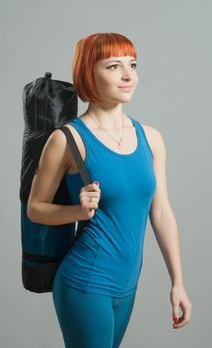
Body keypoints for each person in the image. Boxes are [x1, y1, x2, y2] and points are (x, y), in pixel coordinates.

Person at [27, 32, 192, 347]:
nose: (129, 75)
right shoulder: (67, 139)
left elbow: (161, 211)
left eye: (132, 64)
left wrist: (178, 284)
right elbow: (36, 208)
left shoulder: (151, 138)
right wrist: (78, 210)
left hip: (128, 285)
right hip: (86, 282)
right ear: (89, 72)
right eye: (114, 66)